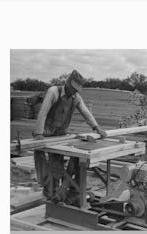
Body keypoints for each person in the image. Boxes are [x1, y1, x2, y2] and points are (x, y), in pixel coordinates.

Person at [33, 70, 107, 204]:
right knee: (45, 166)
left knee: (57, 164)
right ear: (67, 83)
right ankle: (50, 194)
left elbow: (86, 112)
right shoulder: (53, 92)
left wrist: (96, 127)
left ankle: (64, 194)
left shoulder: (76, 98)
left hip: (60, 135)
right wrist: (39, 133)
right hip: (45, 134)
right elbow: (43, 112)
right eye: (73, 88)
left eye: (77, 89)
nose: (74, 92)